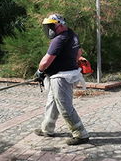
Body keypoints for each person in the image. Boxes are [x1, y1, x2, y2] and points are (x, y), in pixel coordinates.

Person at [34, 13, 89, 145]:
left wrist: (39, 71)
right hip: (66, 73)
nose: (49, 30)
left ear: (58, 25)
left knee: (65, 106)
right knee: (52, 102)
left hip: (61, 77)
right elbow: (78, 53)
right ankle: (47, 128)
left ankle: (80, 134)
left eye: (51, 26)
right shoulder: (72, 34)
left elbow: (46, 60)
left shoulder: (59, 39)